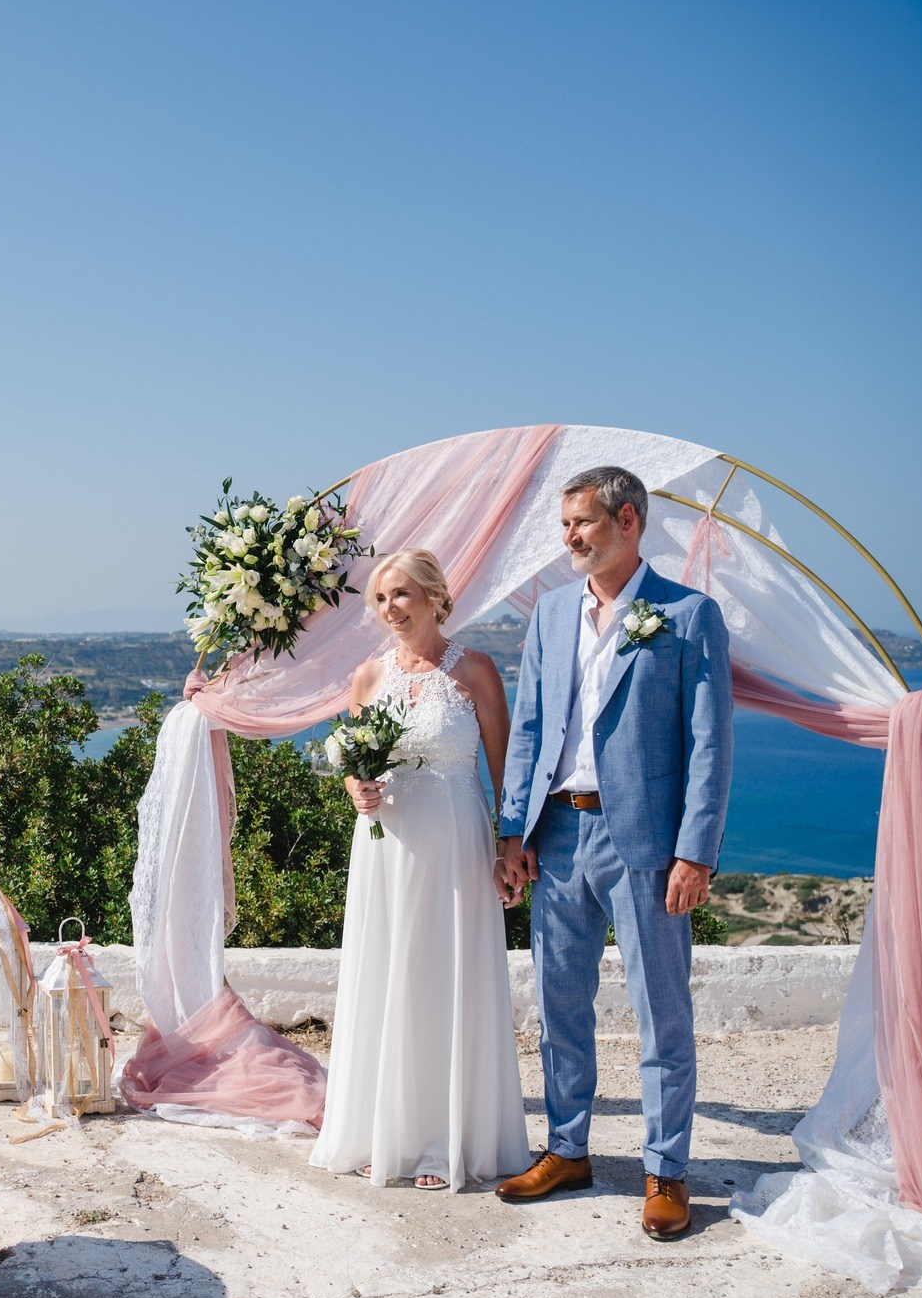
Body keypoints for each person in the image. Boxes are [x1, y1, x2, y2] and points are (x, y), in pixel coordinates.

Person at [494, 465, 734, 1241]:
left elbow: (709, 744)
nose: (568, 537)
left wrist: (694, 852)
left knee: (662, 1010)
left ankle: (667, 1170)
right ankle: (567, 1149)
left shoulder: (689, 615)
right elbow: (529, 726)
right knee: (559, 1004)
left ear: (627, 520)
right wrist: (513, 832)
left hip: (648, 844)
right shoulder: (551, 613)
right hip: (558, 836)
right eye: (565, 525)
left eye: (581, 523)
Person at [306, 548, 530, 1191]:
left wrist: (508, 848)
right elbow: (356, 763)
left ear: (435, 596)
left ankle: (442, 1141)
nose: (390, 609)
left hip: (457, 842)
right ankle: (388, 1134)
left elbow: (504, 770)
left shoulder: (477, 671)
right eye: (380, 598)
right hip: (385, 846)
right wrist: (357, 790)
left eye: (401, 594)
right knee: (389, 973)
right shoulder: (367, 676)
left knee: (443, 977)